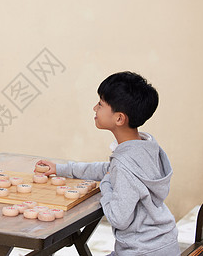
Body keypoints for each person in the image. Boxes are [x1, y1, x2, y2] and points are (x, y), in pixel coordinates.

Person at [37, 72, 180, 256]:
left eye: (101, 104)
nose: (94, 108)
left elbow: (118, 218)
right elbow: (108, 169)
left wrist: (106, 184)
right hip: (164, 244)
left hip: (141, 251)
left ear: (119, 118)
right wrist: (62, 169)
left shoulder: (124, 162)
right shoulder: (145, 147)